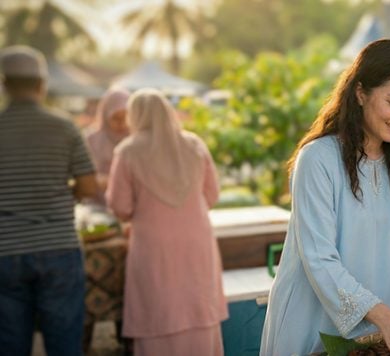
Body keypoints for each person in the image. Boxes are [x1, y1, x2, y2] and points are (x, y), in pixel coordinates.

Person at [261, 39, 390, 356]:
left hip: (380, 327)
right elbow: (319, 257)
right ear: (360, 93)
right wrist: (383, 315)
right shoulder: (317, 159)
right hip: (312, 322)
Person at [104, 89, 228, 354]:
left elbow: (120, 207)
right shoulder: (194, 144)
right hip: (197, 240)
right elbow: (212, 195)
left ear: (135, 115)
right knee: (198, 307)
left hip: (153, 245)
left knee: (157, 311)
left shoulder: (128, 151)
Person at [0, 45, 98, 356]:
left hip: (5, 250)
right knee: (64, 345)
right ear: (42, 84)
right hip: (59, 248)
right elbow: (89, 186)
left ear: (4, 84)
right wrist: (58, 191)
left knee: (10, 345)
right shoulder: (64, 126)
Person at [84, 88, 131, 206]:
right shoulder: (92, 139)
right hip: (96, 204)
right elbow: (86, 175)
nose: (122, 123)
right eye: (116, 118)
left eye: (125, 118)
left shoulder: (134, 139)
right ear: (106, 116)